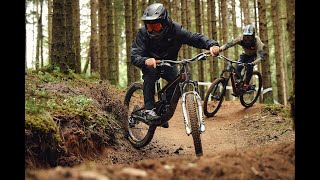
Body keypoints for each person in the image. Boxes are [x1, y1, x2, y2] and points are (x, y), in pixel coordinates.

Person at [130, 3, 220, 125]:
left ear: (165, 22)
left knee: (177, 78)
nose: (152, 30)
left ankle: (163, 111)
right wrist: (145, 60)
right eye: (149, 27)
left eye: (155, 26)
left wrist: (212, 45)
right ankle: (149, 110)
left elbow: (194, 38)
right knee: (150, 74)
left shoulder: (176, 30)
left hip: (168, 63)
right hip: (150, 63)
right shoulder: (143, 33)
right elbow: (134, 55)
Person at [218, 24, 266, 91]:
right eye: (245, 36)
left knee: (249, 66)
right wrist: (220, 49)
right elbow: (230, 44)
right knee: (238, 66)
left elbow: (260, 56)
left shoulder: (257, 41)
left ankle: (246, 85)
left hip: (255, 55)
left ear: (253, 35)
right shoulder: (240, 38)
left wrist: (253, 63)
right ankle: (239, 83)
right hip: (245, 54)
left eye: (249, 37)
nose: (247, 39)